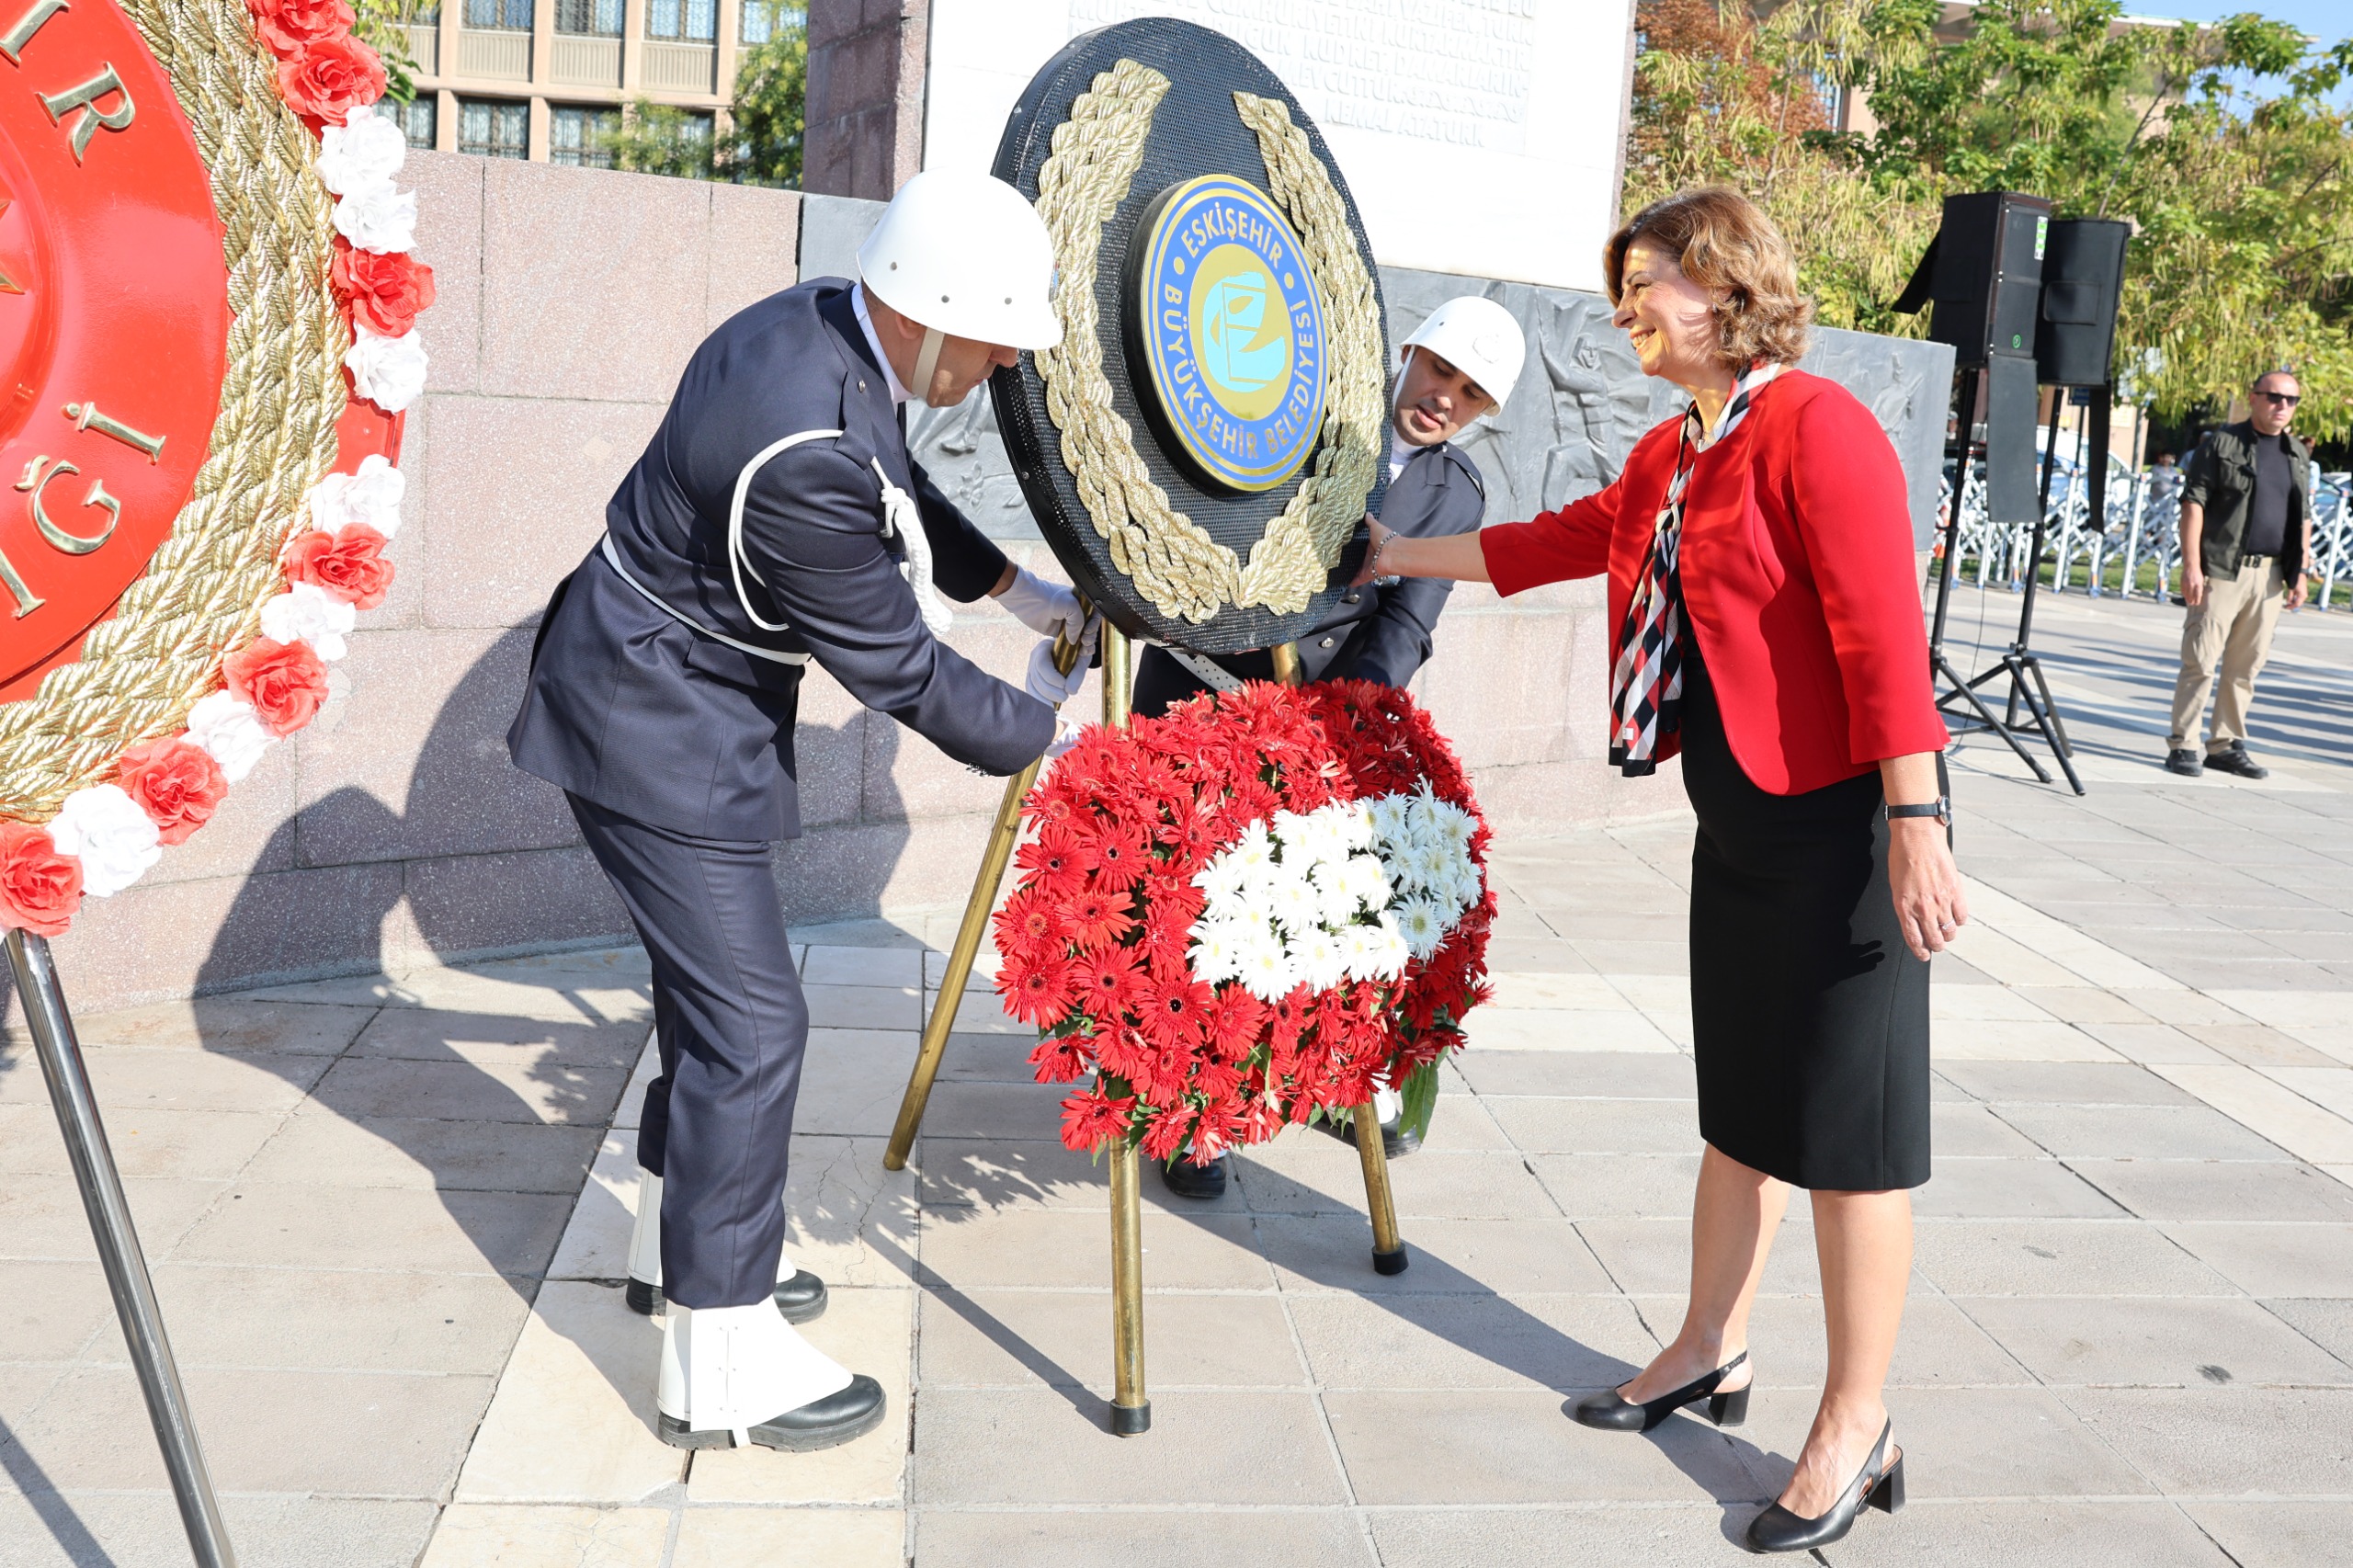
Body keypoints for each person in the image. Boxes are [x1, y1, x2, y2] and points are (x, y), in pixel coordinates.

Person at [1358, 187, 1963, 1554]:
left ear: (1729, 287)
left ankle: (1859, 1421)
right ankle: (1707, 1346)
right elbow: (1554, 542)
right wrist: (1398, 550)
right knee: (1742, 1111)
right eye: (1624, 288)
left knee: (1852, 1148)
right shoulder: (1675, 454)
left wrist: (1918, 819)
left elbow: (1883, 635)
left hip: (1852, 830)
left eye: (1652, 288)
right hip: (1741, 823)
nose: (1630, 310)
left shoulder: (1821, 427)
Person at [506, 170, 1097, 1454]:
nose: (1001, 364)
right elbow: (898, 671)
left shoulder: (827, 319)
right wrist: (1048, 736)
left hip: (658, 693)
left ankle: (683, 1255)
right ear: (930, 312)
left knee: (711, 1006)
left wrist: (1027, 597)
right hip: (655, 725)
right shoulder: (804, 452)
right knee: (755, 1025)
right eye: (995, 338)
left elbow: (900, 500)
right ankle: (717, 1359)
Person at [1132, 295, 1527, 1201]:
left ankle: (1213, 1102)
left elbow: (1403, 626)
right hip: (1197, 682)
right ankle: (1165, 1087)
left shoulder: (1453, 493)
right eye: (1438, 371)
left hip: (1305, 726)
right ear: (1409, 350)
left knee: (1248, 917)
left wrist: (1338, 723)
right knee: (1168, 895)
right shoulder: (1302, 419)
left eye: (1468, 395)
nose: (1443, 399)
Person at [2165, 371, 2315, 779]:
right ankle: (2184, 744)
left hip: (2270, 575)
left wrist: (2299, 571)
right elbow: (2193, 504)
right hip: (2222, 570)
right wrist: (2192, 566)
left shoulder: (2296, 454)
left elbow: (2301, 517)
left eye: (2291, 400)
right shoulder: (2221, 444)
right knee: (2201, 659)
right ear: (2253, 398)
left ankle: (2225, 745)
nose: (2282, 406)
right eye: (2274, 397)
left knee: (2246, 666)